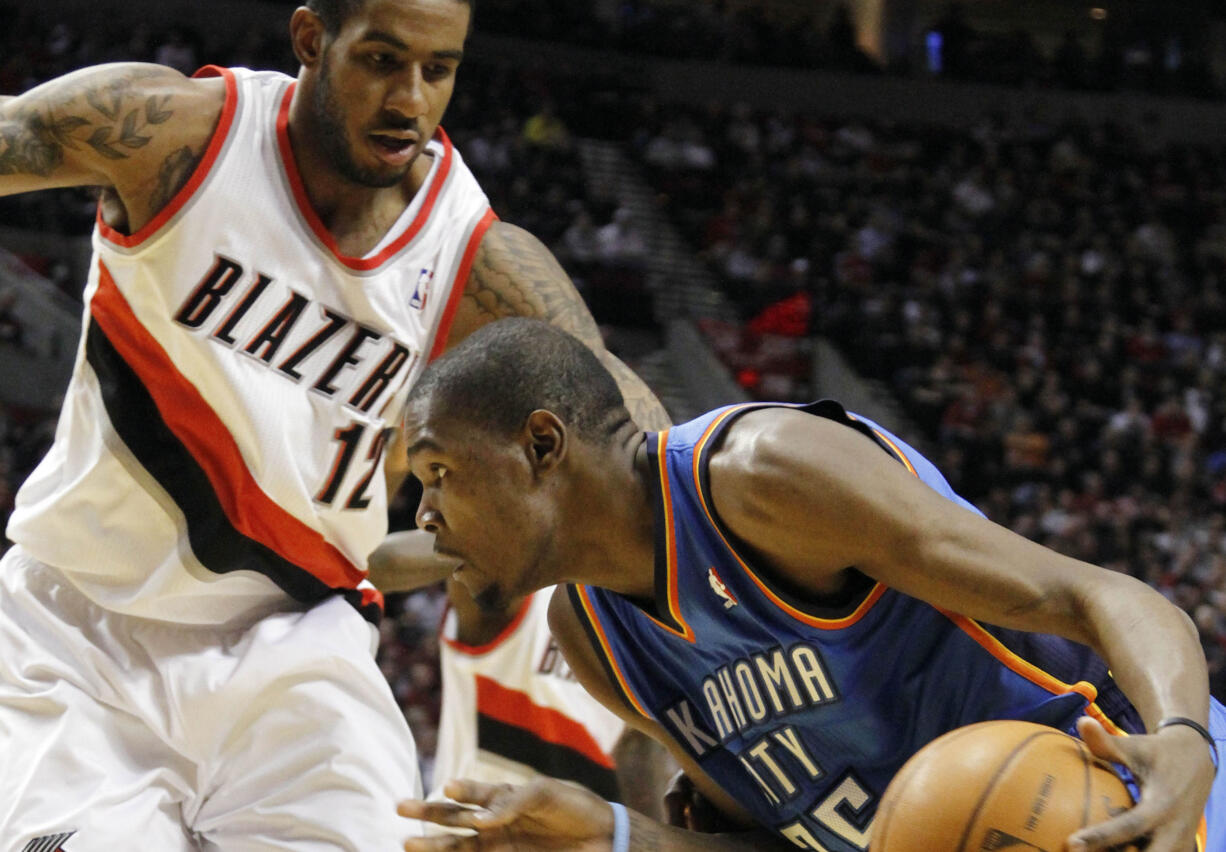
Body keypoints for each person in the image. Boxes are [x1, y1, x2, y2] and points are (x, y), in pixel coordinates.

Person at [0, 0, 668, 848]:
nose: (410, 100)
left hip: (301, 654)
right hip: (81, 629)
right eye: (383, 60)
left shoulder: (475, 257)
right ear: (313, 39)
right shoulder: (180, 136)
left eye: (439, 70)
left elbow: (638, 443)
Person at [393, 318, 1223, 852]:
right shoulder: (594, 636)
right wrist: (610, 834)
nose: (423, 513)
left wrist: (1186, 741)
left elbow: (1102, 597)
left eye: (438, 472)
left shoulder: (761, 478)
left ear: (543, 445)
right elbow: (777, 845)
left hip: (1116, 785)